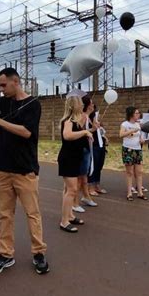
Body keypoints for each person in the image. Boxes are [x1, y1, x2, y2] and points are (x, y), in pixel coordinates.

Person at [0, 68, 49, 276]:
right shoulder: (2, 102)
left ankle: (38, 253)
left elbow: (25, 132)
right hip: (3, 169)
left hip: (25, 170)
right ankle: (5, 254)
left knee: (32, 214)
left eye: (3, 85)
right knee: (5, 215)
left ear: (16, 82)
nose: (0, 89)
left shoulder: (33, 104)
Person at [57, 96, 92, 233]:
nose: (83, 104)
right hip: (68, 158)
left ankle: (70, 216)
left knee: (68, 189)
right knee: (71, 190)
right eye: (81, 103)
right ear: (75, 105)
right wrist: (84, 132)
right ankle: (64, 221)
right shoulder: (69, 121)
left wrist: (86, 131)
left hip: (74, 158)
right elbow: (67, 135)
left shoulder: (76, 120)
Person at [120, 106, 147, 201]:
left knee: (139, 172)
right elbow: (121, 134)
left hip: (137, 149)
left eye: (139, 113)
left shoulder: (138, 124)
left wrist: (141, 140)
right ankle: (129, 193)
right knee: (129, 172)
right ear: (131, 114)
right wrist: (131, 130)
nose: (138, 114)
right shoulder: (125, 124)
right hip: (128, 149)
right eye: (136, 113)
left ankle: (140, 192)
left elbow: (140, 136)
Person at [78, 95, 97, 207]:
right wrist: (89, 130)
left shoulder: (88, 116)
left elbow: (86, 130)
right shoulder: (82, 116)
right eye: (90, 102)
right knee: (80, 177)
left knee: (84, 176)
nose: (92, 104)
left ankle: (86, 196)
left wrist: (93, 128)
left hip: (87, 146)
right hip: (82, 147)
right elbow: (79, 130)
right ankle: (74, 203)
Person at [88, 105, 108, 197]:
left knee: (99, 166)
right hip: (94, 146)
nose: (99, 116)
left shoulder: (99, 123)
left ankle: (97, 185)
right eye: (97, 114)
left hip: (101, 146)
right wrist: (93, 128)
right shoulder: (88, 122)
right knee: (94, 166)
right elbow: (86, 132)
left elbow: (102, 134)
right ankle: (91, 187)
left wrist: (105, 138)